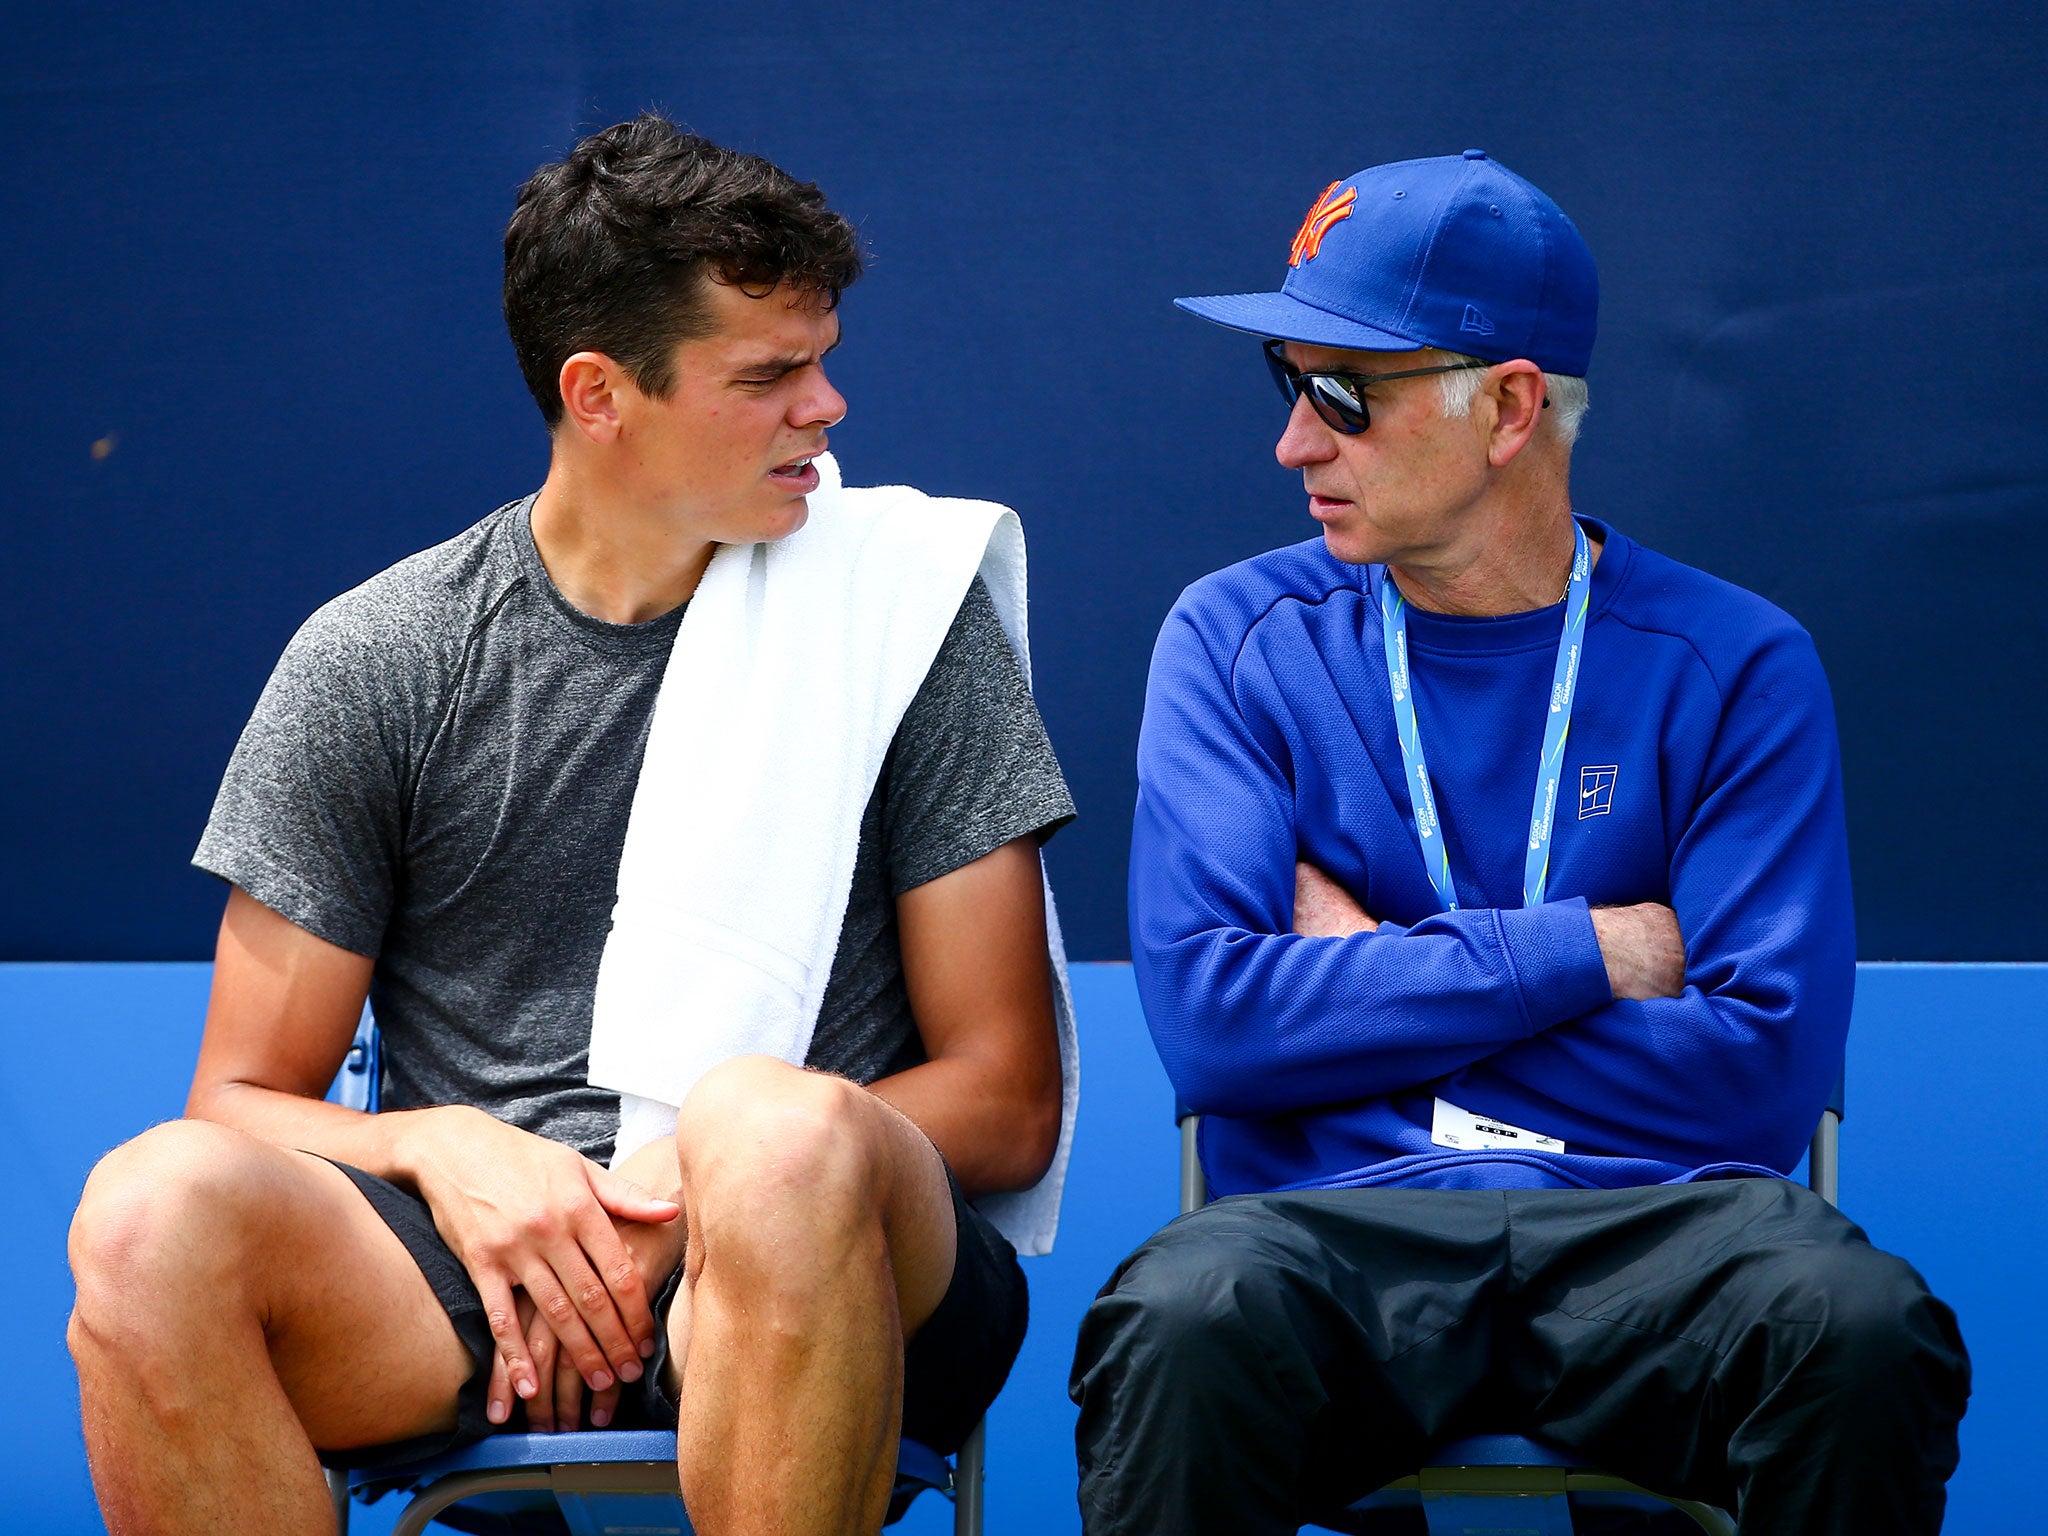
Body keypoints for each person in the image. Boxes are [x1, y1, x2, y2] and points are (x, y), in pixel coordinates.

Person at [67, 114, 1074, 1536]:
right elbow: (235, 1099)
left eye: (825, 360)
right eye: (770, 375)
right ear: (600, 394)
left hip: (837, 1256)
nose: (828, 407)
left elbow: (1007, 1097)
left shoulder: (905, 613)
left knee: (768, 1135)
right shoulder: (380, 654)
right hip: (480, 1279)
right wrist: (451, 1151)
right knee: (146, 1211)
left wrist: (693, 1170)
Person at [1071, 151, 1968, 1535]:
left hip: (1657, 1236)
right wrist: (1597, 949)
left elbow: (1759, 1083)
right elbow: (1215, 1028)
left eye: (1340, 394)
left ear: (1507, 408)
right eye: (1286, 385)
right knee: (1183, 1319)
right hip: (1334, 1230)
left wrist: (1369, 980)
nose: (1294, 444)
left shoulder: (1733, 662)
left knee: (1854, 1325)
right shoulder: (1233, 639)